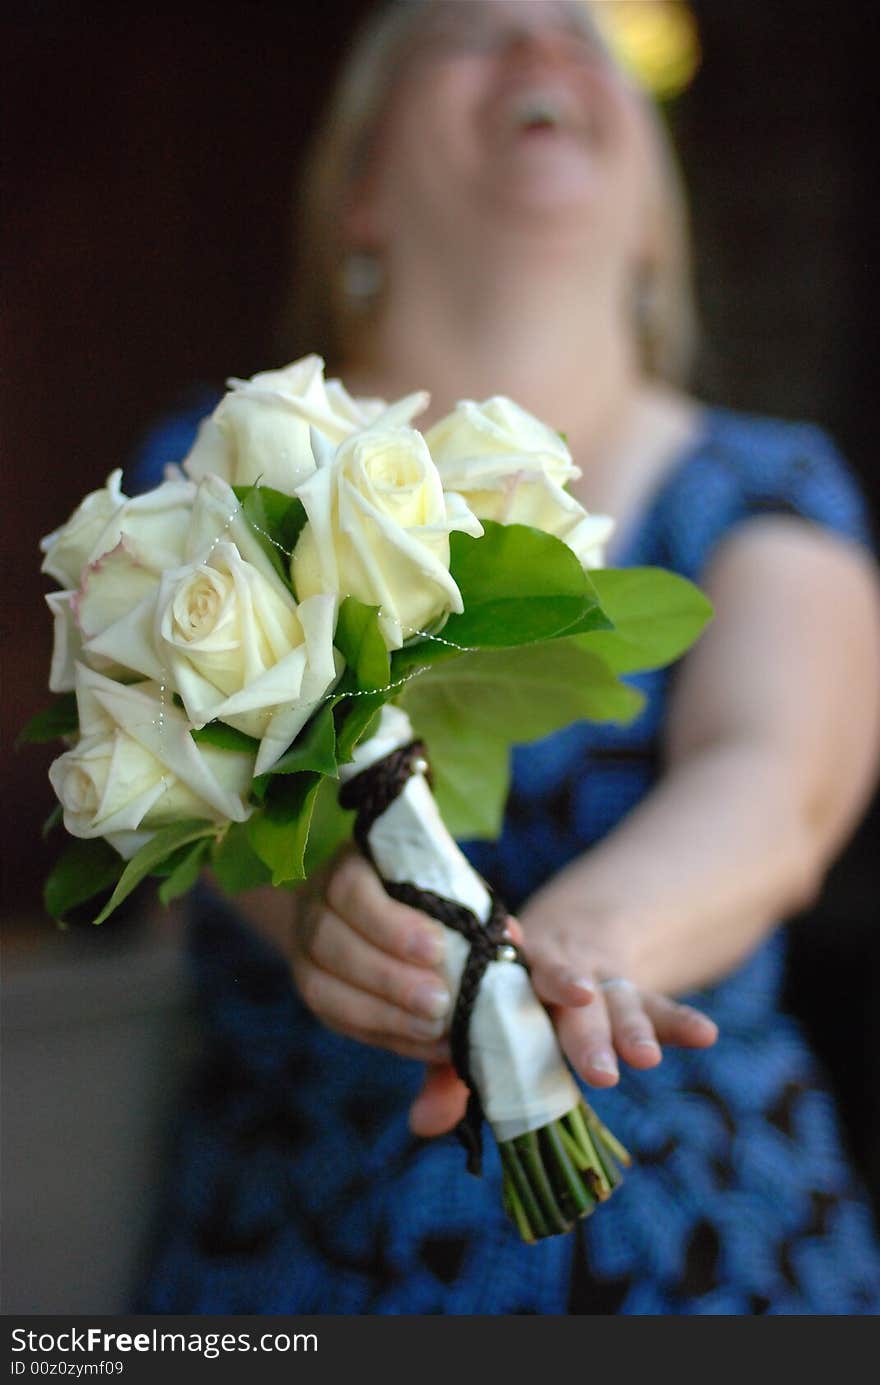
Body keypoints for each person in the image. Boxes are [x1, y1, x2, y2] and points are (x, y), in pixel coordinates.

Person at [133, 0, 880, 1313]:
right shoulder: (212, 472)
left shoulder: (768, 486)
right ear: (359, 189)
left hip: (707, 1251)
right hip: (302, 1259)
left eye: (586, 33)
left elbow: (778, 782)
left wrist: (574, 956)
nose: (549, 50)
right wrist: (325, 903)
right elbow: (196, 771)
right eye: (477, 30)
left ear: (654, 215)